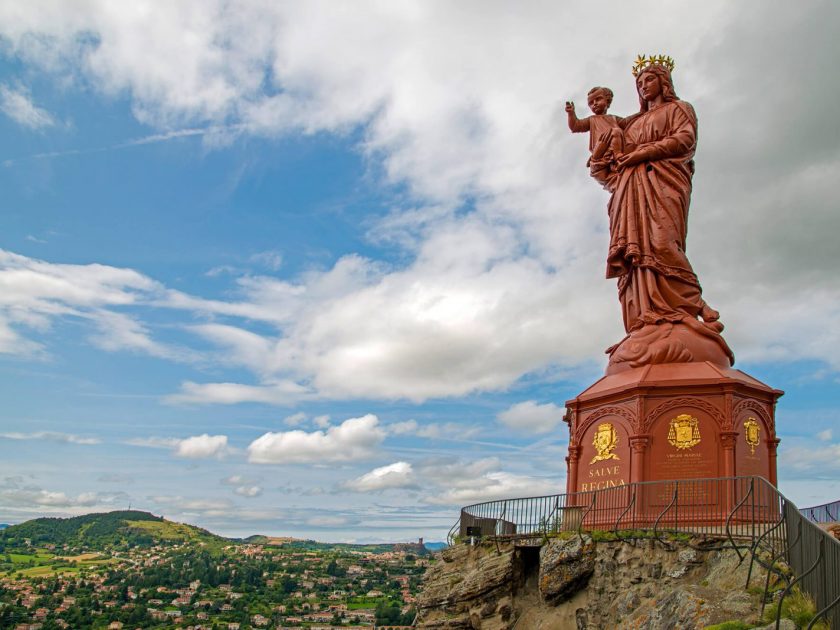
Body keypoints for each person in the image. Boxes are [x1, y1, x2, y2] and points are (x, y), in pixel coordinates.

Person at [606, 60, 722, 338]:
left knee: (662, 242)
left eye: (649, 80)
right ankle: (645, 316)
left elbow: (685, 141)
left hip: (664, 181)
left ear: (664, 81)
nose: (644, 86)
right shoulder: (630, 124)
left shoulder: (679, 109)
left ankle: (693, 304)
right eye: (640, 83)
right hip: (630, 191)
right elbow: (609, 169)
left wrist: (641, 154)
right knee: (636, 254)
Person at [565, 87, 624, 186]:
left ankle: (618, 155)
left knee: (617, 131)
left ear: (607, 101)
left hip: (615, 149)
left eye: (598, 99)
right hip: (600, 152)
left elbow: (629, 122)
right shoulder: (592, 120)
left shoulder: (613, 118)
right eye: (591, 103)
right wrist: (571, 113)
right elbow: (575, 126)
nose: (595, 104)